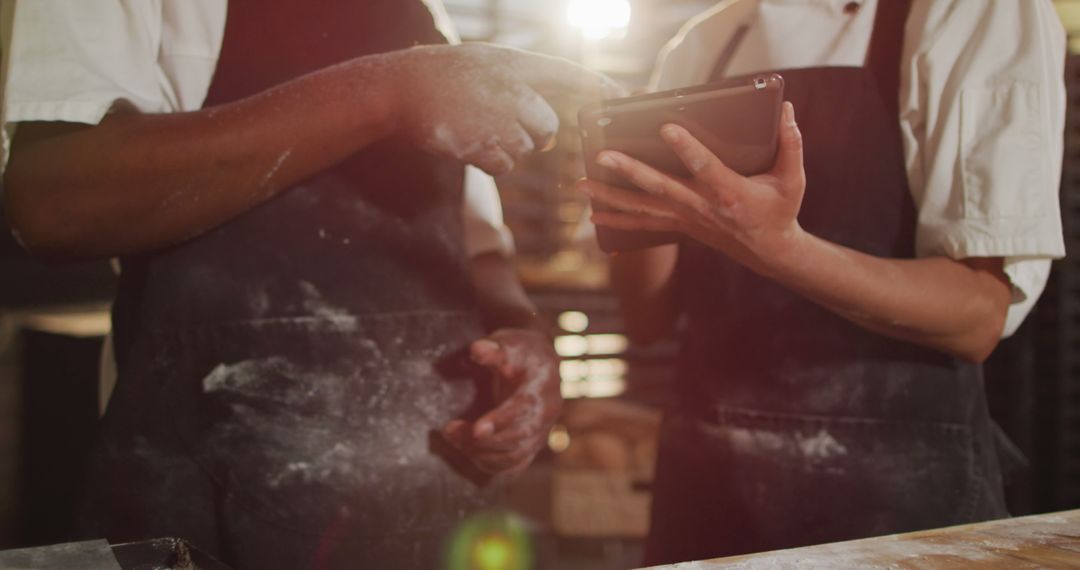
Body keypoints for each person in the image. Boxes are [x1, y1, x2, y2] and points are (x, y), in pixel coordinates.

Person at [1, 1, 616, 568]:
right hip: (212, 516)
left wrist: (525, 338)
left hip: (434, 521)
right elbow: (54, 204)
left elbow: (478, 248)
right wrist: (387, 92)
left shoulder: (423, 15)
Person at [576, 0, 1066, 564]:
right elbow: (647, 320)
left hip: (893, 508)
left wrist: (779, 248)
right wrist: (627, 196)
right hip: (707, 496)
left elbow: (979, 314)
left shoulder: (975, 12)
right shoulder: (709, 40)